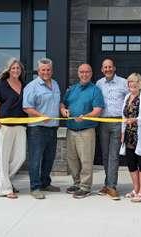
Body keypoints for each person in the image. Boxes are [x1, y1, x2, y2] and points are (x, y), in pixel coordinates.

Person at [60, 63, 104, 199]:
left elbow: (98, 110)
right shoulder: (71, 89)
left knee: (86, 160)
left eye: (87, 72)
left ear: (91, 74)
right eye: (82, 72)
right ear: (78, 73)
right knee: (72, 159)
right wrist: (63, 110)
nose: (84, 74)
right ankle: (77, 183)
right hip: (71, 129)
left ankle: (85, 187)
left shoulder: (95, 90)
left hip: (86, 130)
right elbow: (63, 103)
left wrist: (86, 117)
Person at [23, 58, 61, 199]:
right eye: (43, 70)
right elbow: (26, 107)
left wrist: (62, 108)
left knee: (49, 158)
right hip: (37, 129)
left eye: (48, 70)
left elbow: (58, 102)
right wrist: (40, 116)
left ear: (52, 70)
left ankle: (45, 183)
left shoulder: (55, 84)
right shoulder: (31, 86)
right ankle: (35, 187)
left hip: (52, 128)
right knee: (35, 159)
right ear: (38, 71)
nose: (46, 72)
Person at [0, 58, 27, 199]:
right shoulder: (1, 85)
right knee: (3, 158)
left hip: (21, 125)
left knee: (20, 157)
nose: (15, 70)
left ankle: (4, 182)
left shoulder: (25, 85)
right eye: (13, 68)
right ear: (9, 69)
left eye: (18, 68)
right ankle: (6, 189)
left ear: (21, 70)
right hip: (4, 126)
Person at [96, 57, 128, 200]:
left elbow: (130, 102)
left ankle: (112, 186)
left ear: (114, 68)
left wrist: (125, 125)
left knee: (114, 155)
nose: (108, 69)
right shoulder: (99, 83)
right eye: (105, 67)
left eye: (110, 67)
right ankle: (107, 183)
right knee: (105, 155)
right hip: (103, 122)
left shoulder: (123, 82)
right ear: (102, 69)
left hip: (117, 122)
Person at [121, 73, 141, 202]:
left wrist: (136, 120)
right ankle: (135, 188)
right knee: (131, 163)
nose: (132, 84)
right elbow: (123, 116)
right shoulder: (127, 97)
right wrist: (122, 132)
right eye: (130, 82)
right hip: (129, 135)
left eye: (135, 81)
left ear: (140, 83)